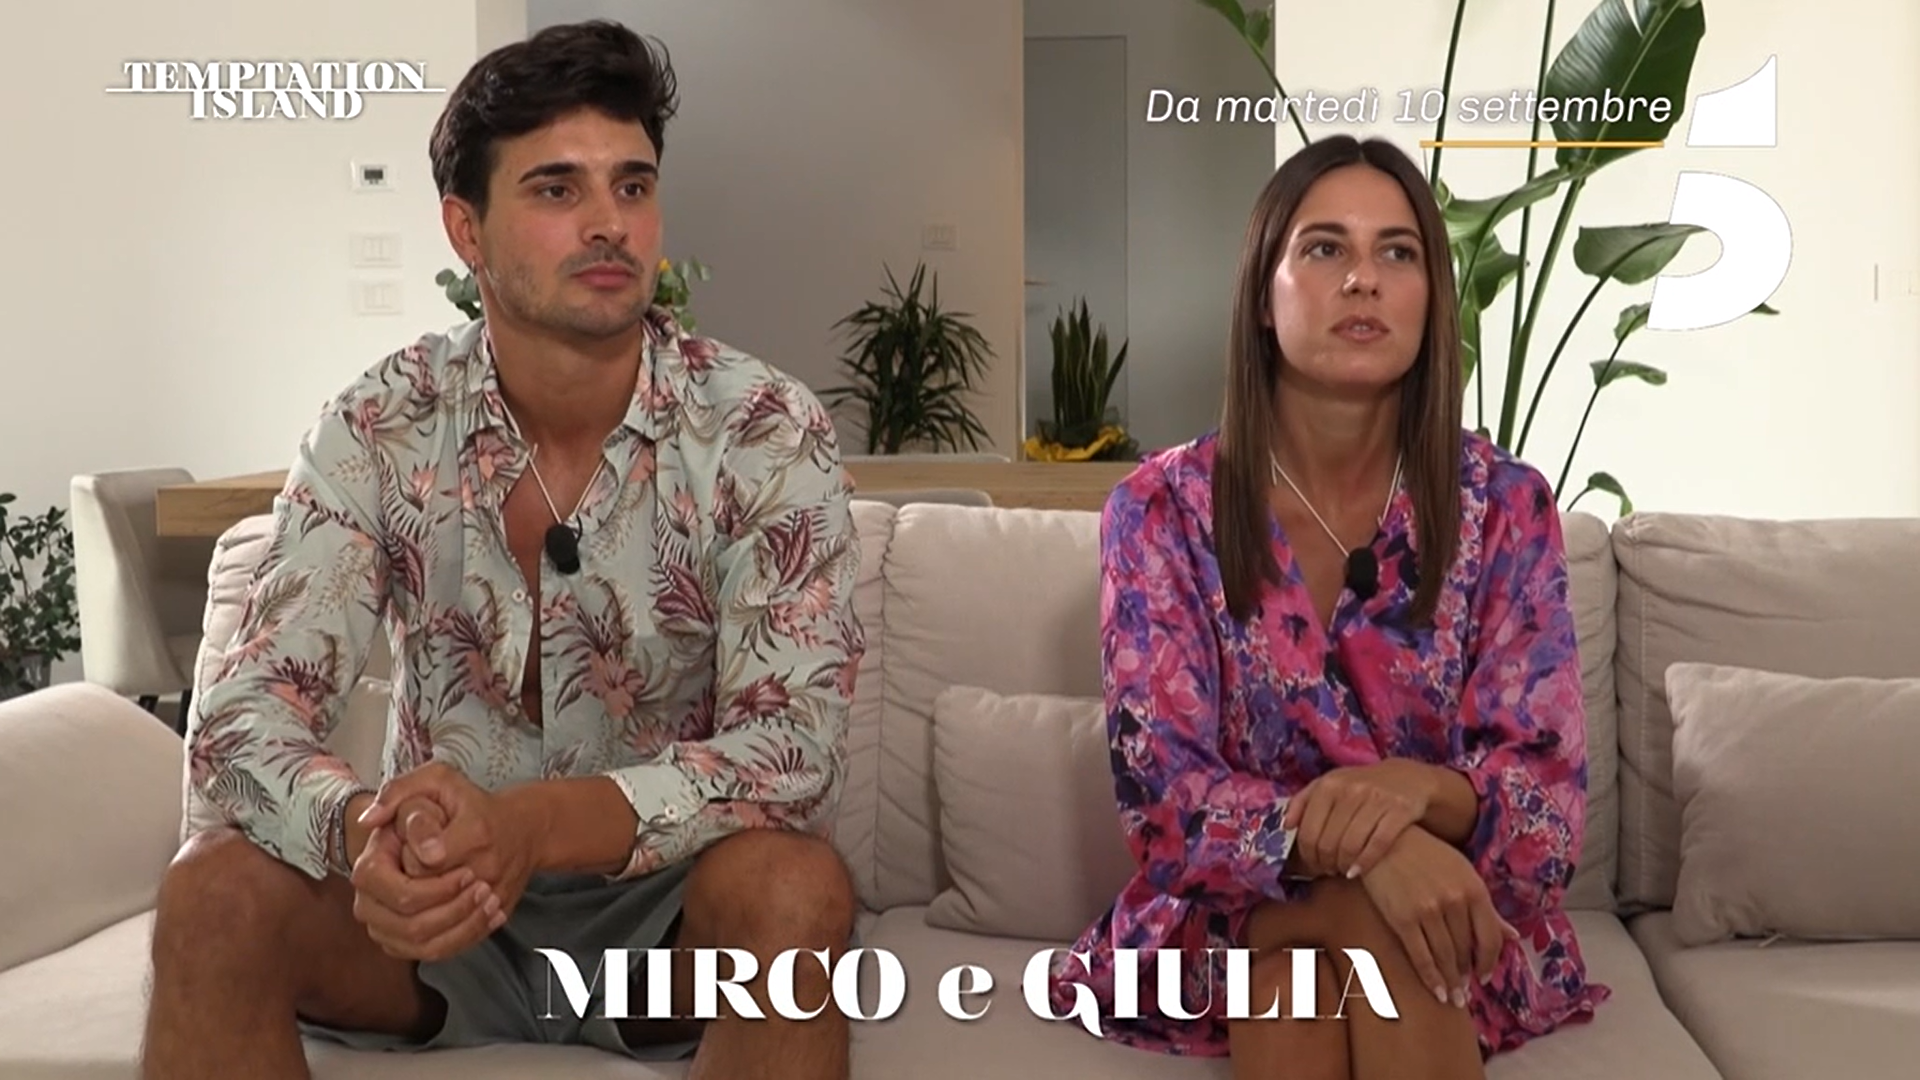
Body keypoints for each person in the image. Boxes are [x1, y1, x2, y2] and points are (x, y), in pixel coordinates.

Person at [140, 21, 863, 1080]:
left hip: (669, 919)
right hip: (430, 913)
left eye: (632, 186)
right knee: (210, 891)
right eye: (557, 189)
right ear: (465, 229)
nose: (609, 223)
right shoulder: (380, 425)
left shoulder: (763, 428)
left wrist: (535, 826)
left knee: (798, 889)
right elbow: (240, 718)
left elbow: (794, 748)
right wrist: (362, 833)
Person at [1048, 134, 1611, 1079]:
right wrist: (1377, 854)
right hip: (1224, 922)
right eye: (1324, 248)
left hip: (1449, 915)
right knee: (1354, 928)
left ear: (1431, 300)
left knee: (1325, 966)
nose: (1363, 279)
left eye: (1398, 252)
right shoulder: (1160, 511)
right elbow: (1168, 806)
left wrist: (1416, 792)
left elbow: (1544, 814)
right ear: (1261, 298)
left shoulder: (1506, 508)